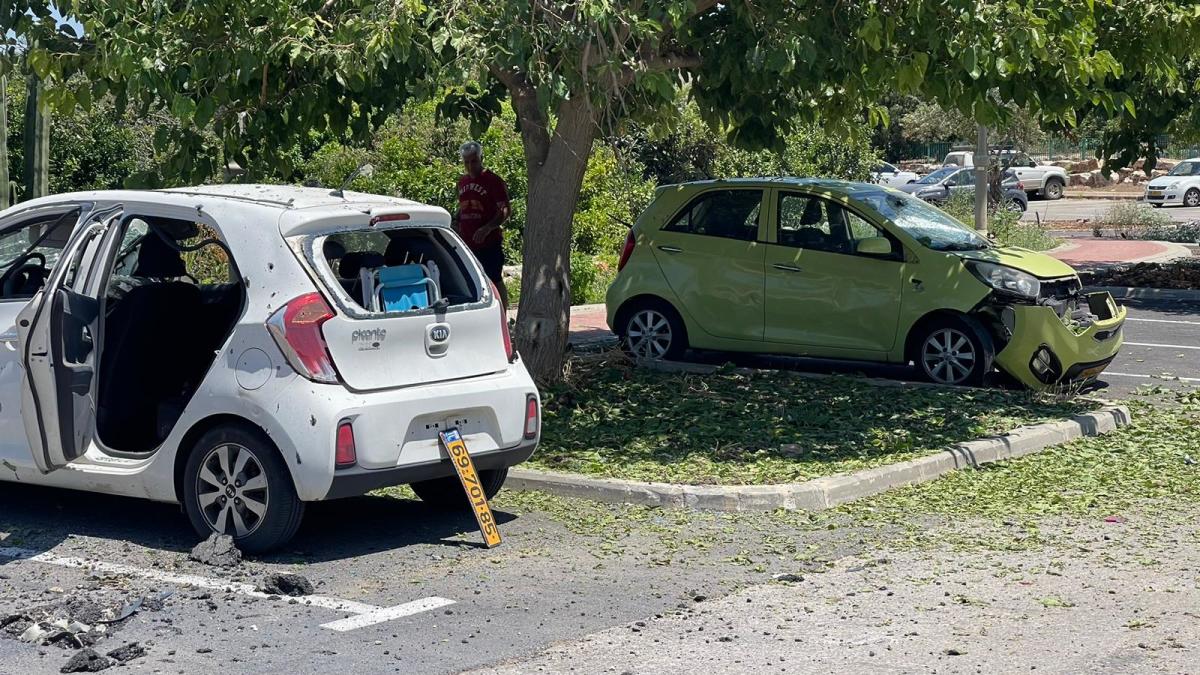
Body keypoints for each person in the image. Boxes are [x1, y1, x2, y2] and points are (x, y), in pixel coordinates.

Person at [455, 141, 511, 308]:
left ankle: (503, 316)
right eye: (466, 162)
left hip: (489, 243)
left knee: (494, 278)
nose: (470, 166)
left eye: (474, 161)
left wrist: (487, 228)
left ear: (481, 158)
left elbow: (505, 210)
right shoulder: (462, 182)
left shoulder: (493, 180)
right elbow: (464, 208)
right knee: (472, 281)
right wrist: (456, 222)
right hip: (468, 243)